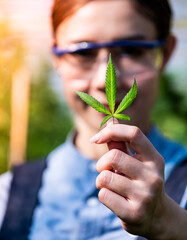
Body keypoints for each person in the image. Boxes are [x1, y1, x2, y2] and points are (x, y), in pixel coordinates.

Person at [0, 0, 187, 239]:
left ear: (166, 52)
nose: (104, 80)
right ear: (56, 58)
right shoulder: (6, 197)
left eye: (132, 50)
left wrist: (173, 224)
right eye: (83, 52)